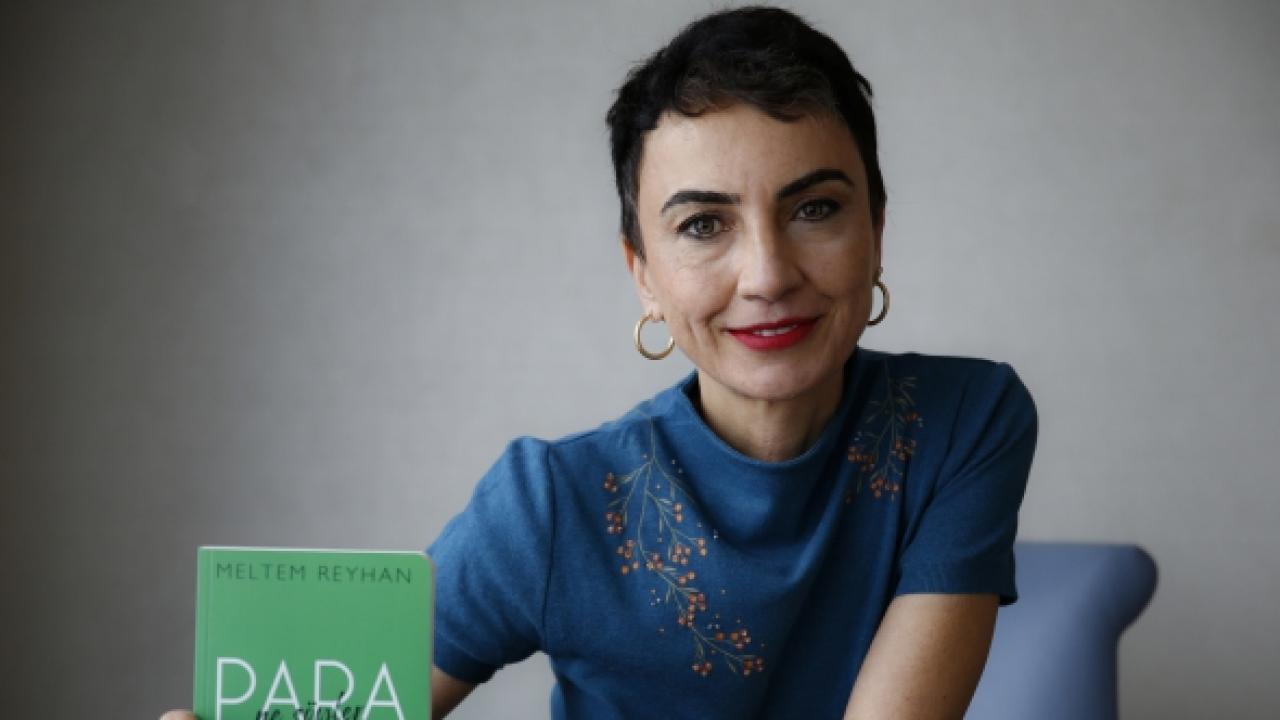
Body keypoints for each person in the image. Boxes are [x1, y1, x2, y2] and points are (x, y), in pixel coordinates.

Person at [162, 5, 1035, 720]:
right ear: (642, 274)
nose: (767, 275)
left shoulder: (965, 423)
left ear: (876, 227)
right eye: (703, 224)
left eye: (815, 208)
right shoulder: (552, 504)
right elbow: (339, 705)